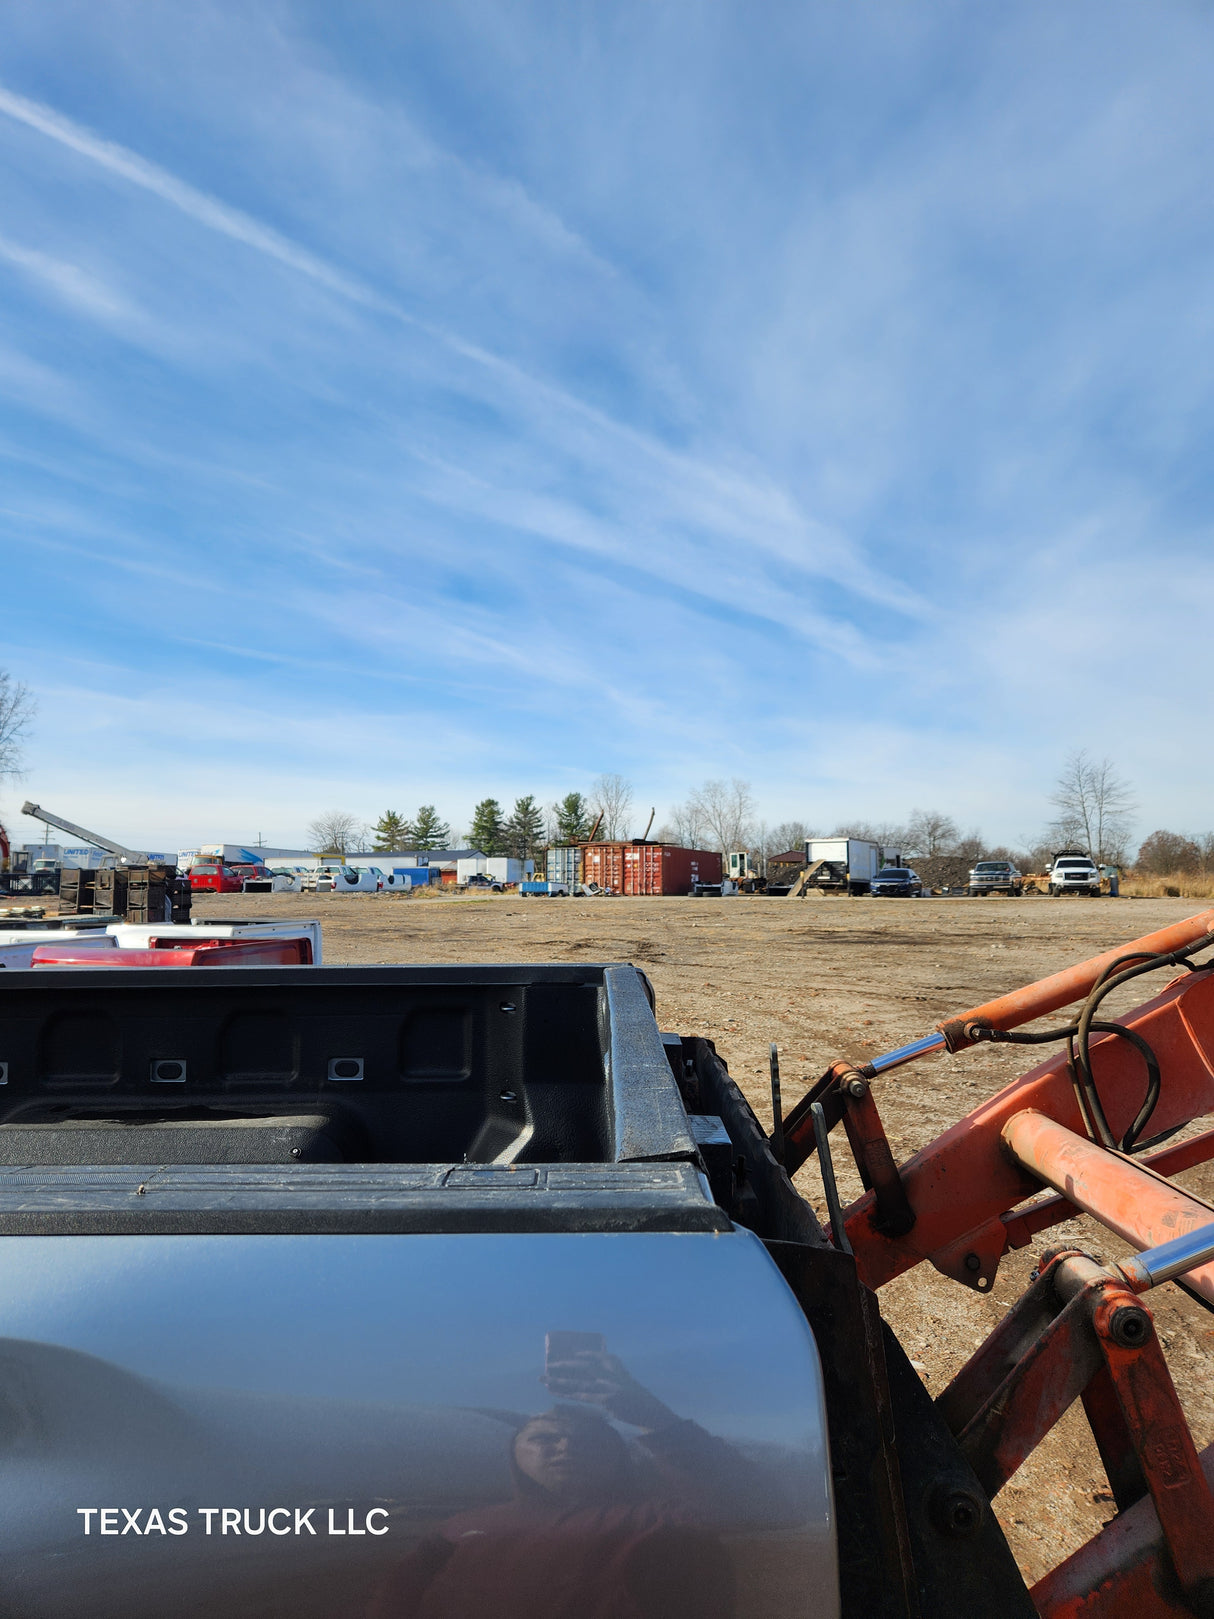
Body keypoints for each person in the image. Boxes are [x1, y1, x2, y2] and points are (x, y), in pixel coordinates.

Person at [368, 1347, 743, 1619]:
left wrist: (651, 1415)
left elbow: (751, 1508)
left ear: (618, 1455)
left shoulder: (660, 1518)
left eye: (589, 1441)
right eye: (544, 1438)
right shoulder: (461, 1526)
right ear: (513, 1453)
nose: (566, 1447)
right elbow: (395, 1599)